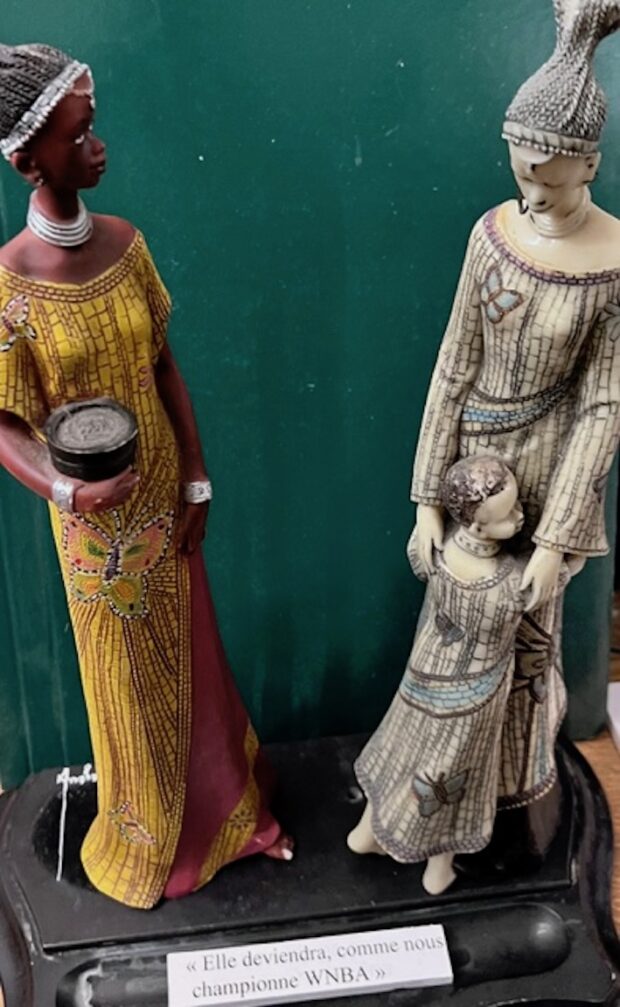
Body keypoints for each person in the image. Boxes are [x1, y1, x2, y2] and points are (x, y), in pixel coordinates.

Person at [0, 43, 291, 910]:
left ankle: (230, 820)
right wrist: (67, 491)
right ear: (27, 161)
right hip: (93, 525)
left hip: (164, 491)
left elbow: (164, 365)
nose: (97, 148)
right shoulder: (10, 287)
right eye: (77, 136)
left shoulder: (127, 246)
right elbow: (4, 423)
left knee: (196, 659)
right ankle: (147, 841)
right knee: (127, 685)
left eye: (93, 128)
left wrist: (195, 476)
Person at [412, 0, 620, 807]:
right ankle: (436, 796)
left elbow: (603, 405)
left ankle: (515, 800)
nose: (530, 187)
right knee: (454, 633)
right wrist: (428, 502)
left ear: (588, 163)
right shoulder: (490, 235)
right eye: (520, 168)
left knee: (530, 645)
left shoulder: (612, 261)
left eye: (548, 173)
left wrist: (555, 538)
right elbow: (452, 368)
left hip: (550, 472)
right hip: (473, 471)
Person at [349, 456, 558, 896]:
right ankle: (437, 869)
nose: (520, 517)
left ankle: (367, 833)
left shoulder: (433, 549)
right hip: (473, 699)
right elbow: (552, 581)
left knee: (403, 752)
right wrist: (560, 554)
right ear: (479, 526)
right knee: (452, 778)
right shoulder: (508, 585)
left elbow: (419, 557)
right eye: (508, 515)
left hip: (424, 678)